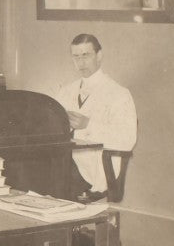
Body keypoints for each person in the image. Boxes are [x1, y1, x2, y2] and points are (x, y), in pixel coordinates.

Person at [54, 33, 137, 201]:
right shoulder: (65, 91)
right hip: (64, 161)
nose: (81, 62)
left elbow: (128, 139)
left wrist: (88, 125)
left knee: (45, 181)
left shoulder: (119, 94)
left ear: (99, 56)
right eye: (76, 56)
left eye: (86, 55)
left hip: (95, 167)